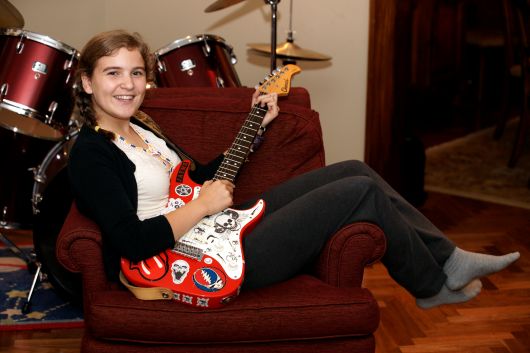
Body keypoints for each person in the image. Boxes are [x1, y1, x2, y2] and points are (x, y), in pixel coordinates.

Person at [68, 29, 520, 310]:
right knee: (357, 193)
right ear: (88, 82)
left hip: (215, 225)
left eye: (136, 73)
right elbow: (129, 240)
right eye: (112, 73)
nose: (127, 85)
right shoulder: (91, 152)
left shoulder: (144, 129)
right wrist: (202, 205)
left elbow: (200, 176)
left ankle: (449, 258)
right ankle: (428, 285)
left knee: (355, 169)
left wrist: (255, 126)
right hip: (199, 261)